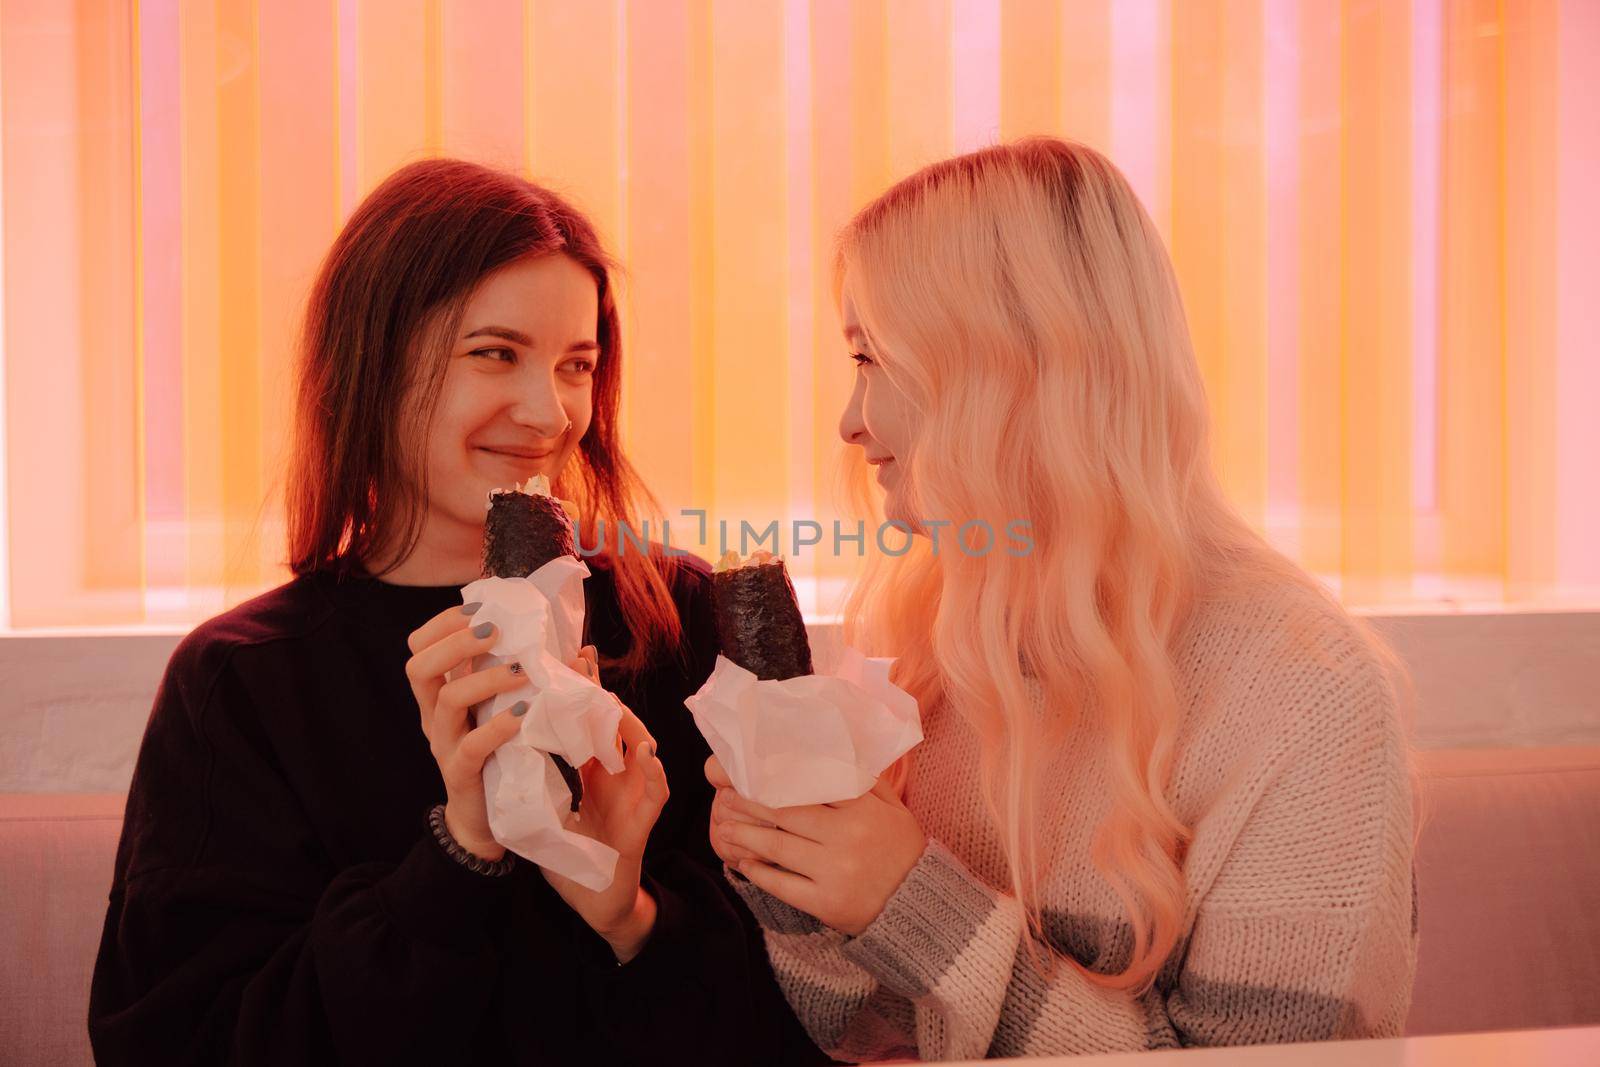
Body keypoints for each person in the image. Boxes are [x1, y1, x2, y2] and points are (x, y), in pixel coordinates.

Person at [89, 159, 826, 1067]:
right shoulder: (243, 678)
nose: (548, 412)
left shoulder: (680, 620)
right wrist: (462, 850)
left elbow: (810, 1014)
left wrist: (631, 914)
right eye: (495, 352)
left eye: (576, 365)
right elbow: (180, 1043)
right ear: (370, 357)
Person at [708, 138, 1419, 1061]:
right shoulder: (929, 644)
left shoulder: (1304, 695)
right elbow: (866, 1035)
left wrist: (908, 902)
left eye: (874, 357)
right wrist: (795, 879)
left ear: (1010, 369)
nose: (849, 422)